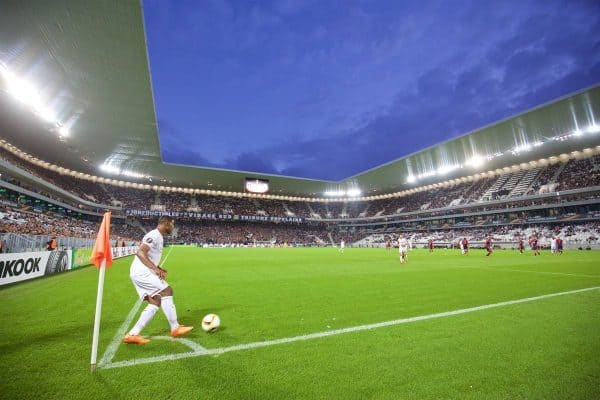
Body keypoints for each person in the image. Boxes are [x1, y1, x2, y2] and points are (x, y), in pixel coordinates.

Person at [123, 216, 193, 345]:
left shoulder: (159, 237)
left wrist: (158, 267)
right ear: (166, 224)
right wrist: (155, 269)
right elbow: (140, 252)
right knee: (167, 290)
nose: (173, 227)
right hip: (142, 273)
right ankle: (175, 327)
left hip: (140, 272)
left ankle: (132, 334)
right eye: (172, 224)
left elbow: (148, 256)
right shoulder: (154, 235)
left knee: (156, 301)